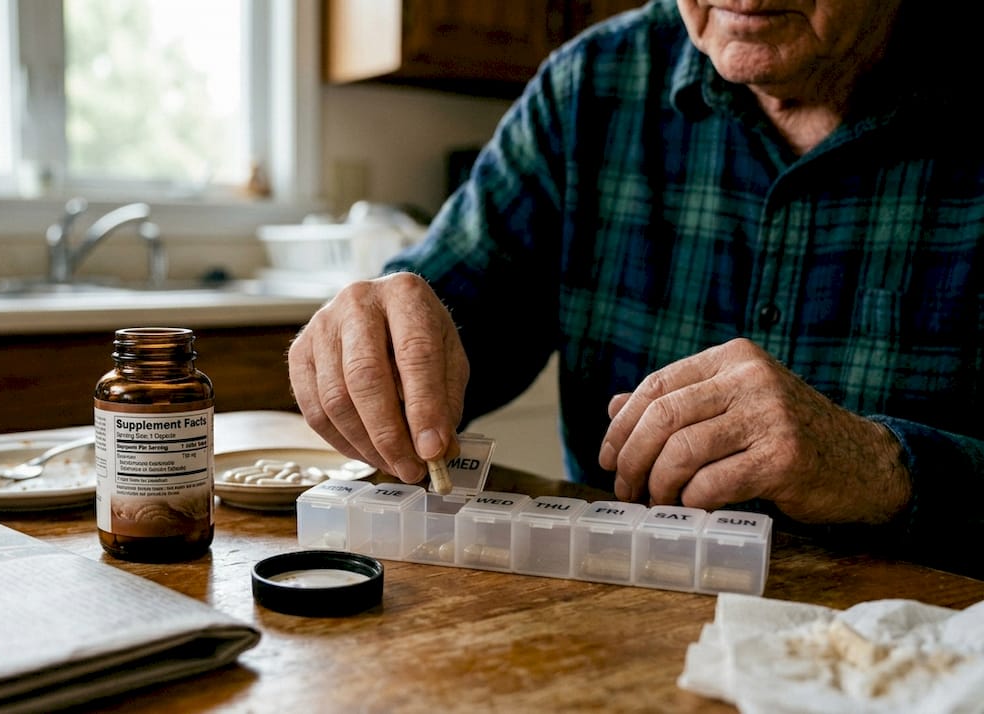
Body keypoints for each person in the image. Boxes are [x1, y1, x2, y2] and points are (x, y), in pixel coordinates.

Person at [287, 0, 984, 578]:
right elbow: (451, 320)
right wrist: (383, 337)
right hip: (613, 617)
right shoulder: (589, 86)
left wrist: (874, 465)